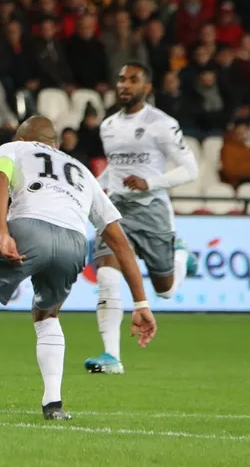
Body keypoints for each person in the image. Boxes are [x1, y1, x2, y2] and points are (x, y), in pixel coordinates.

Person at [0, 117, 157, 422]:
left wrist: (3, 232)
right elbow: (120, 242)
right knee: (47, 315)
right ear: (54, 143)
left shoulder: (15, 148)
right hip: (74, 243)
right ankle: (53, 404)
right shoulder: (83, 172)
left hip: (30, 229)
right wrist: (141, 303)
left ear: (26, 138)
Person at [85, 62, 199, 375]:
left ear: (146, 88)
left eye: (133, 80)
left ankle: (181, 258)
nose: (124, 85)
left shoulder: (162, 123)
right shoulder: (108, 126)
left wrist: (150, 183)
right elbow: (115, 170)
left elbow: (191, 169)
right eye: (121, 79)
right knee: (107, 275)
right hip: (117, 210)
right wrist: (92, 189)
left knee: (165, 290)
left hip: (152, 209)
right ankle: (111, 357)